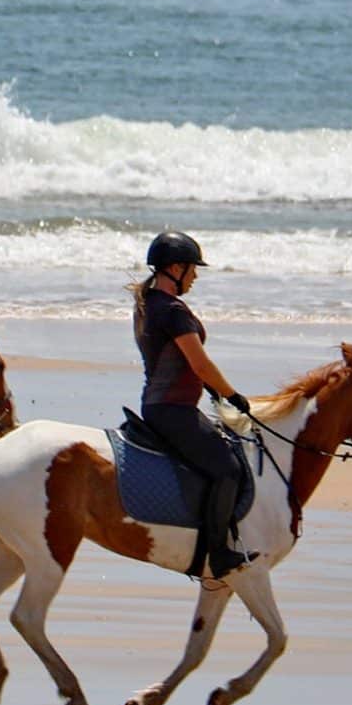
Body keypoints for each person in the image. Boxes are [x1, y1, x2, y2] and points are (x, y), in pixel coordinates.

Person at [132, 230, 252, 580]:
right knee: (228, 469)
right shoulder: (172, 311)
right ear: (175, 269)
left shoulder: (147, 304)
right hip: (174, 410)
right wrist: (232, 395)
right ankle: (218, 554)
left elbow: (178, 364)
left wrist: (208, 391)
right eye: (192, 269)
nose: (196, 276)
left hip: (159, 406)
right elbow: (199, 364)